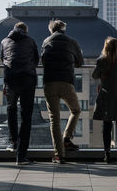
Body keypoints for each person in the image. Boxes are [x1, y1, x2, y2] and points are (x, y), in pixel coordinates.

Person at [41, 19, 83, 164]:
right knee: (76, 110)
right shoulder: (71, 41)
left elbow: (43, 60)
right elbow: (80, 62)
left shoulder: (46, 41)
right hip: (66, 81)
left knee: (54, 119)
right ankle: (67, 138)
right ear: (64, 29)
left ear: (51, 30)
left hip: (49, 82)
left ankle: (59, 155)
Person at [0, 22, 39, 165]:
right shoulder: (30, 41)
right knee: (26, 116)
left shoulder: (4, 41)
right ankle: (21, 156)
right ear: (25, 31)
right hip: (27, 79)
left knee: (11, 108)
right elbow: (36, 60)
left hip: (10, 78)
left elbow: (2, 59)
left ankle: (13, 141)